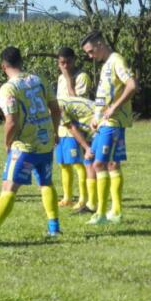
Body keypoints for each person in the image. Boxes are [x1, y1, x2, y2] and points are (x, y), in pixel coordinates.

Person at [0, 47, 61, 244]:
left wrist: (7, 142)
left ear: (3, 66)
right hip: (45, 143)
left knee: (8, 187)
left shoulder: (9, 88)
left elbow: (12, 121)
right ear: (21, 62)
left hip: (25, 146)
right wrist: (55, 131)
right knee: (46, 182)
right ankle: (54, 228)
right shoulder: (39, 79)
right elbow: (55, 109)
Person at [80, 31, 138, 225]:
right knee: (112, 164)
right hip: (104, 124)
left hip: (113, 124)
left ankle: (101, 213)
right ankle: (116, 211)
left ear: (100, 44)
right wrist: (96, 118)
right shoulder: (107, 64)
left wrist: (114, 107)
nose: (90, 56)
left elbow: (131, 85)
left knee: (98, 164)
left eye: (90, 51)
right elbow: (107, 95)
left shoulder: (116, 60)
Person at [55, 47, 93, 210]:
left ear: (74, 60)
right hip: (61, 128)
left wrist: (69, 79)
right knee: (63, 164)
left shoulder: (82, 77)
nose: (65, 66)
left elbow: (78, 102)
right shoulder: (59, 79)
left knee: (78, 164)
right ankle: (67, 197)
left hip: (75, 129)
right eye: (61, 62)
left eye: (68, 62)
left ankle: (83, 199)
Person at [57, 96, 98, 214]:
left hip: (97, 122)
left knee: (94, 164)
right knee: (91, 164)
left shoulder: (57, 107)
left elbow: (72, 127)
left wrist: (86, 147)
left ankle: (85, 200)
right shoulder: (51, 106)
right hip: (89, 126)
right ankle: (90, 202)